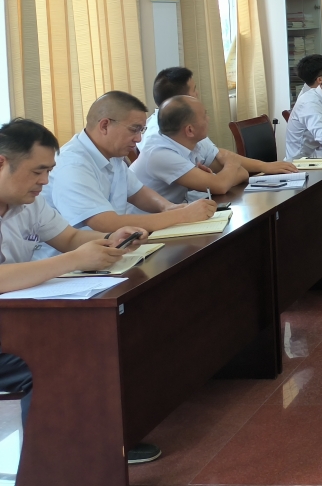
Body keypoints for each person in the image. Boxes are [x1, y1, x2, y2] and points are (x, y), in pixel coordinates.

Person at [0, 119, 154, 459]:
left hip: (17, 319)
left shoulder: (28, 203)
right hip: (8, 331)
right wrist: (72, 261)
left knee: (106, 336)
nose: (45, 181)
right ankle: (59, 469)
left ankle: (111, 440)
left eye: (48, 171)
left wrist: (108, 239)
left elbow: (69, 237)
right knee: (56, 359)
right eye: (37, 171)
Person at [43, 91, 217, 234]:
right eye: (134, 130)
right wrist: (182, 216)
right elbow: (105, 223)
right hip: (74, 260)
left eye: (142, 130)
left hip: (114, 247)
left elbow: (138, 192)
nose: (139, 138)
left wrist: (168, 207)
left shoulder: (113, 154)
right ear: (104, 126)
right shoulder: (73, 165)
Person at [142, 66, 297, 175]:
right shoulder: (159, 137)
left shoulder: (183, 121)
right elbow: (220, 176)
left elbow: (218, 157)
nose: (198, 94)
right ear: (182, 100)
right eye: (194, 90)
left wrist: (264, 166)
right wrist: (235, 170)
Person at [132, 97, 249, 202]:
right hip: (149, 218)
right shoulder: (161, 154)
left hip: (173, 212)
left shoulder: (190, 145)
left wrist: (218, 180)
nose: (208, 119)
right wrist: (231, 164)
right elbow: (221, 186)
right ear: (190, 130)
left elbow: (243, 173)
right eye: (204, 116)